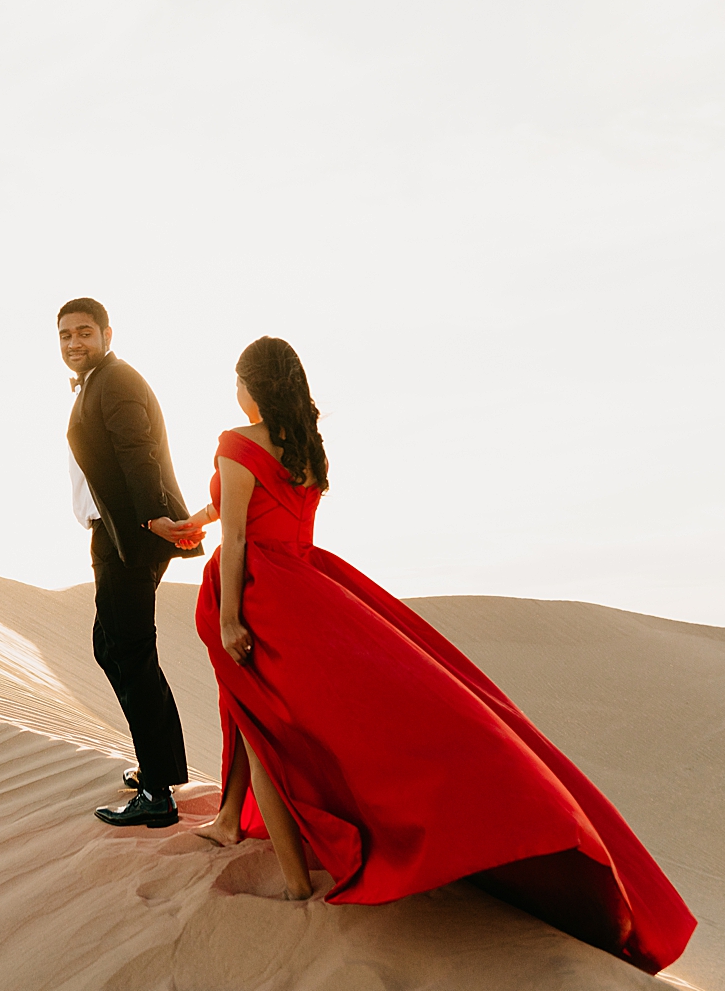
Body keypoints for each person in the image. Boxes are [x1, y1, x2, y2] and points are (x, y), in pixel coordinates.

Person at [151, 338, 696, 974]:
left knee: (260, 721)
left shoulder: (235, 439)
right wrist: (191, 524)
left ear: (250, 386)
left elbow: (241, 532)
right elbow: (237, 507)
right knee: (279, 709)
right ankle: (228, 821)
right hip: (313, 587)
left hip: (259, 592)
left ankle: (298, 883)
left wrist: (231, 617)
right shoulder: (304, 449)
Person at [57, 296, 203, 828]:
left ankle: (159, 793)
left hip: (131, 538)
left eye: (85, 333)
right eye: (66, 335)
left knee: (129, 652)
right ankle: (160, 765)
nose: (75, 343)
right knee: (111, 647)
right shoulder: (99, 382)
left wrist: (151, 519)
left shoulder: (114, 381)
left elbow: (136, 450)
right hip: (118, 535)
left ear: (107, 334)